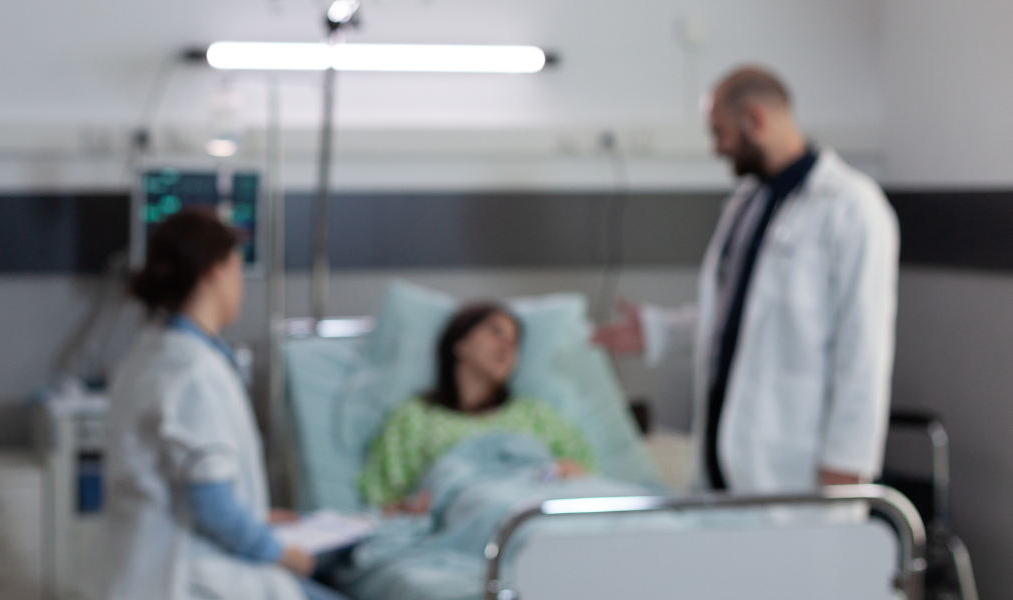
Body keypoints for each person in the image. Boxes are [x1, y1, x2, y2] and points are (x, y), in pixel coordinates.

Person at [592, 66, 899, 494]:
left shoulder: (852, 206)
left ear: (755, 119)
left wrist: (848, 460)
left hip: (797, 461)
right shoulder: (746, 205)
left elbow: (864, 347)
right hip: (726, 451)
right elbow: (738, 318)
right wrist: (659, 330)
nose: (717, 148)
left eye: (720, 132)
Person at [98, 209, 347, 600]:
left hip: (142, 565)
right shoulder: (194, 370)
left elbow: (181, 487)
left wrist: (256, 520)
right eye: (236, 269)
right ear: (215, 272)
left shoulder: (149, 353)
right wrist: (278, 551)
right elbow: (210, 505)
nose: (240, 285)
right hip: (188, 576)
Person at [359, 303, 598, 513]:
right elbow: (382, 503)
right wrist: (410, 508)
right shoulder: (415, 417)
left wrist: (558, 474)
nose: (506, 346)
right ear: (460, 343)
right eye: (495, 332)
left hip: (535, 511)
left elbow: (585, 477)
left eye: (514, 343)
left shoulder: (537, 415)